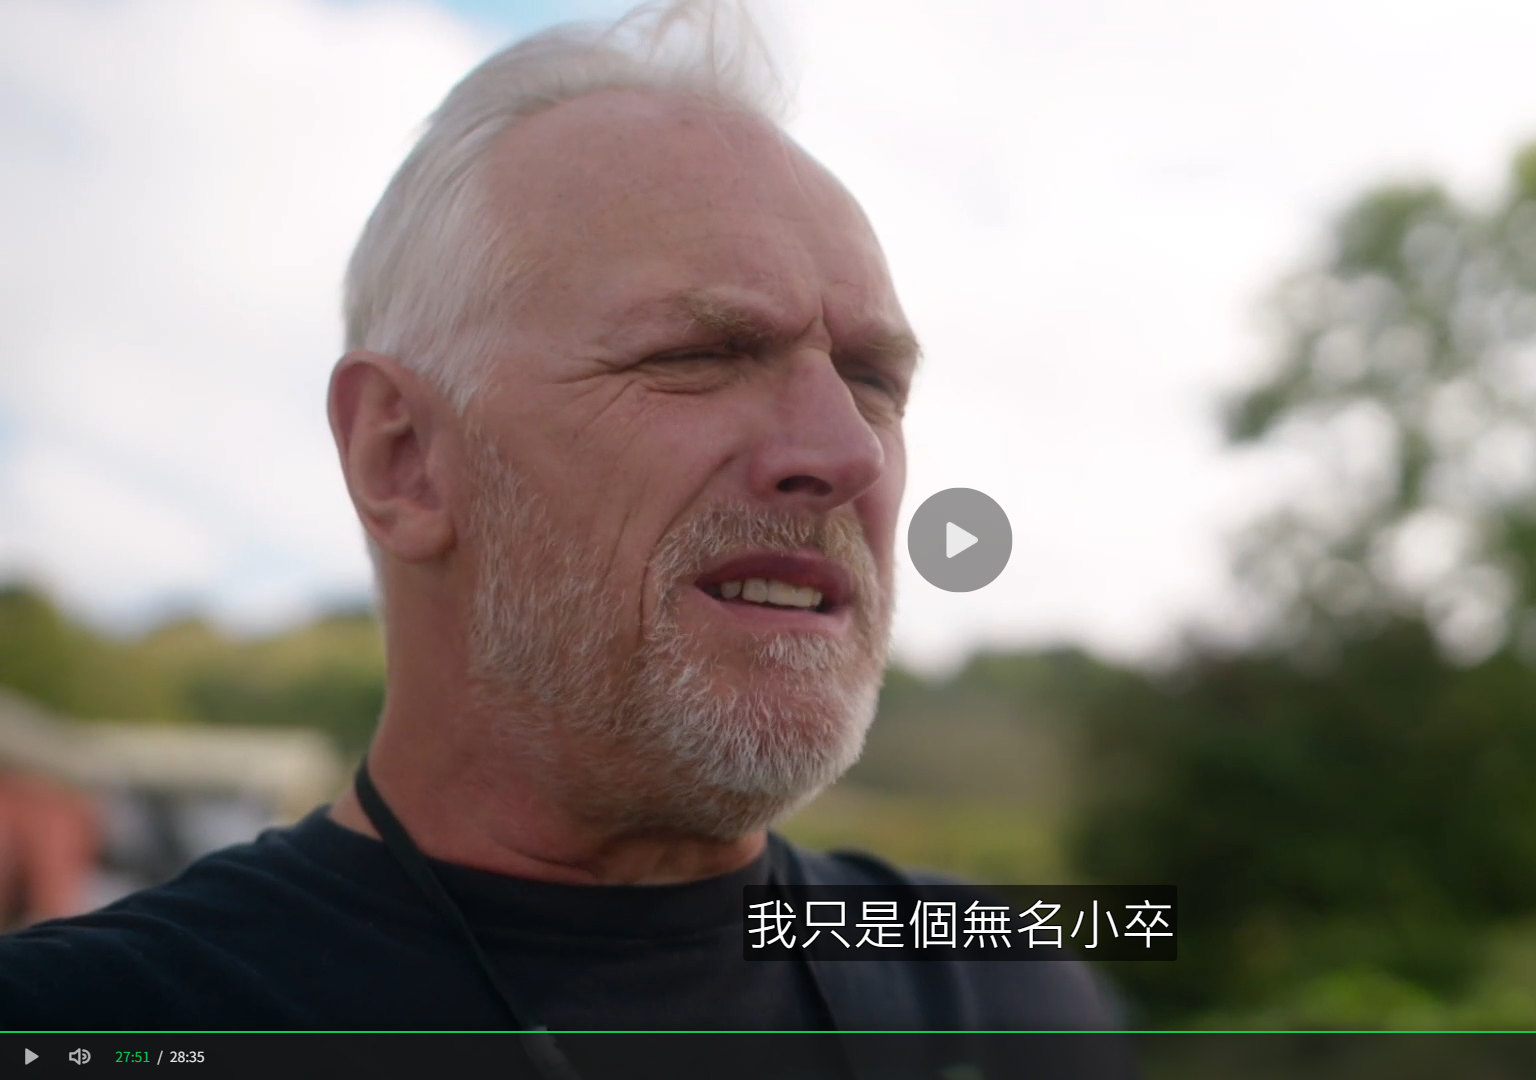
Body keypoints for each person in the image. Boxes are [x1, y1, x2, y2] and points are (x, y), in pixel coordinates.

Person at [0, 2, 1128, 1072]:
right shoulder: (90, 1023)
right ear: (403, 457)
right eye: (697, 355)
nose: (848, 453)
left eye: (874, 380)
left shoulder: (1007, 990)